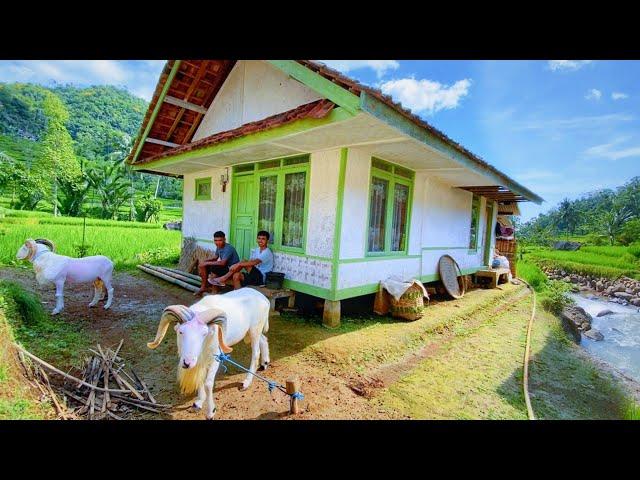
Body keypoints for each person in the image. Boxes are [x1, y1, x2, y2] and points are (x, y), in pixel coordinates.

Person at [194, 231, 240, 296]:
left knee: (214, 267)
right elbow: (215, 257)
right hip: (225, 267)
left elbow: (222, 263)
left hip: (232, 270)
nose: (217, 242)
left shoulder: (229, 248)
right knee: (203, 266)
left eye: (220, 240)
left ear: (224, 239)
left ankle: (214, 291)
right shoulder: (218, 246)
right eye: (216, 240)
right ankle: (203, 287)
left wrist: (207, 263)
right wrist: (205, 261)